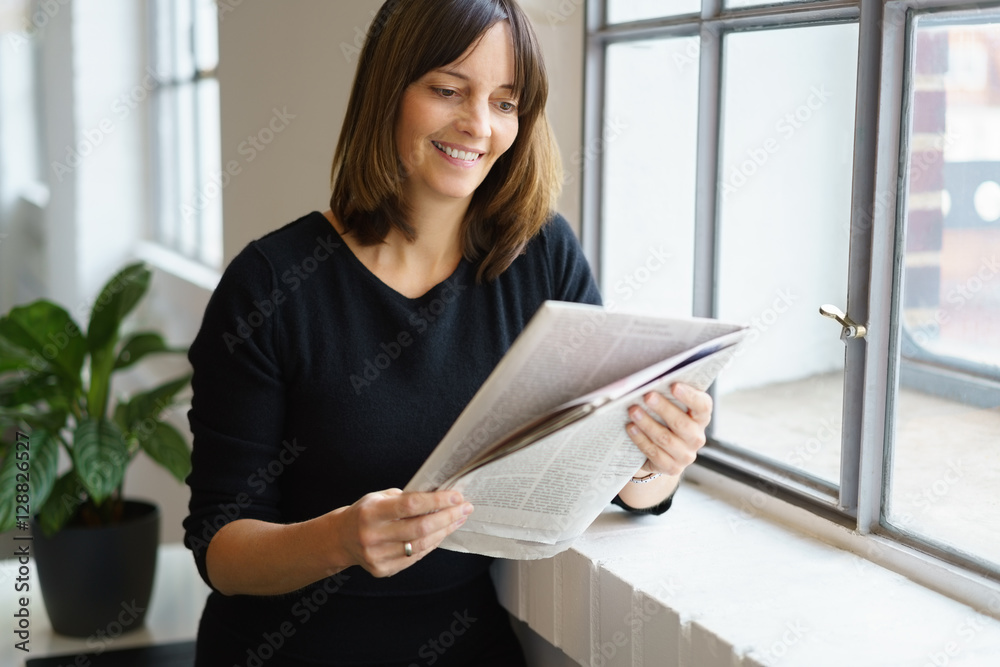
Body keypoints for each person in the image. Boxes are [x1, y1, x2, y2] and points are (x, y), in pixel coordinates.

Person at [182, 0, 713, 664]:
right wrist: (343, 538)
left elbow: (597, 469)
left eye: (505, 102)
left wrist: (653, 460)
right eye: (447, 90)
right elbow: (220, 546)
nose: (478, 125)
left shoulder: (542, 256)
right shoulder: (271, 284)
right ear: (389, 89)